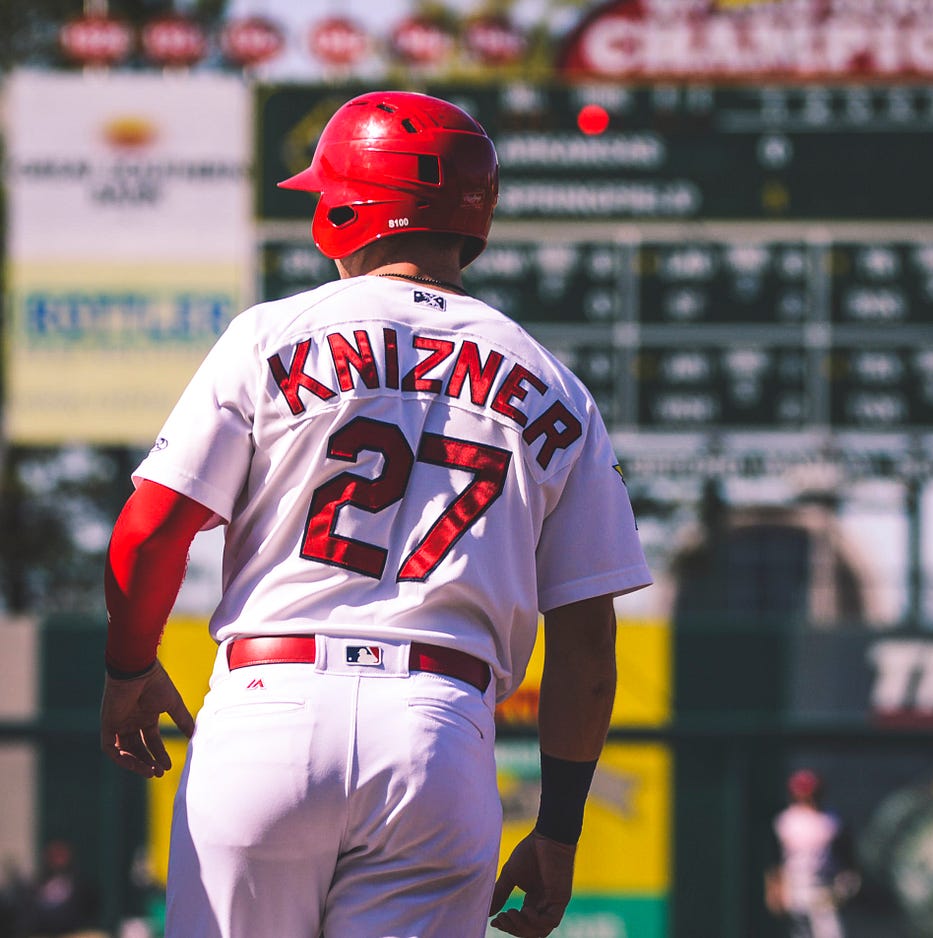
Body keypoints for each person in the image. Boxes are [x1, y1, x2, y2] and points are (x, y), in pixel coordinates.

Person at [97, 90, 651, 938]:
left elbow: (150, 530)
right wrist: (560, 829)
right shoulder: (556, 386)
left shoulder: (269, 334)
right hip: (440, 735)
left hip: (267, 710)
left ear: (346, 207)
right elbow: (587, 650)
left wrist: (130, 667)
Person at [765, 769, 860, 938]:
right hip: (795, 888)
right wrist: (774, 890)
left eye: (811, 794)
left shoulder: (832, 820)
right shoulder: (786, 821)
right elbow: (775, 859)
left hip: (826, 890)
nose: (808, 799)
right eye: (803, 794)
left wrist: (845, 887)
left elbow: (847, 858)